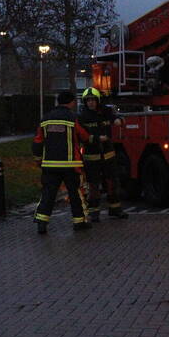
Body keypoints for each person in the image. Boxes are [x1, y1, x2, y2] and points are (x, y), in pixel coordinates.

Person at [32, 91, 90, 233]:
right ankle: (79, 222)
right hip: (71, 165)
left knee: (48, 194)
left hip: (50, 165)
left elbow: (38, 141)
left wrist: (38, 159)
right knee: (75, 194)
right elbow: (84, 136)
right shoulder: (73, 118)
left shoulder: (46, 118)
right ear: (70, 102)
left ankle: (41, 222)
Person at [78, 87, 128, 223]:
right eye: (88, 100)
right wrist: (96, 139)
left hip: (108, 154)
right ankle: (94, 213)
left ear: (98, 100)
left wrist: (120, 121)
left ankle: (115, 209)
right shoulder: (82, 116)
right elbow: (82, 136)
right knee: (93, 185)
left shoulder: (106, 111)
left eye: (93, 100)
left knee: (112, 182)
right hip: (91, 156)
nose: (90, 103)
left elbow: (118, 118)